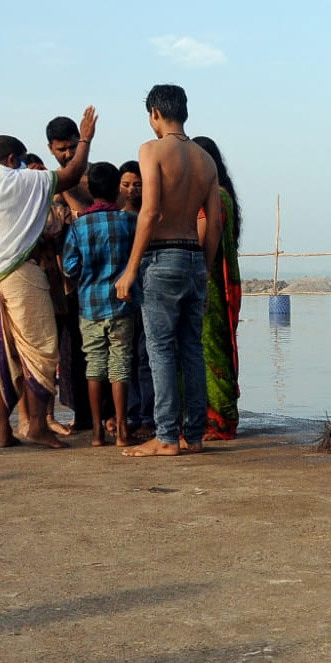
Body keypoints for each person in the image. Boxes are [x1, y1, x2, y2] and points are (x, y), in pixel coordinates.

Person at [0, 108, 97, 448]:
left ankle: (4, 429)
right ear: (13, 158)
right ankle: (38, 426)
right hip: (22, 276)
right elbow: (70, 176)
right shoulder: (21, 179)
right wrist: (86, 137)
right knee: (41, 352)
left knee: (1, 356)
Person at [114, 84, 222, 457]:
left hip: (162, 256)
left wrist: (130, 269)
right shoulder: (206, 160)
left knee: (160, 349)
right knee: (191, 349)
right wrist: (204, 270)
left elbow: (151, 211)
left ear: (155, 114)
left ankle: (164, 436)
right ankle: (192, 435)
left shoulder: (152, 149)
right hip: (194, 255)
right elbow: (216, 222)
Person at [62, 161, 138, 447]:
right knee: (120, 365)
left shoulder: (80, 226)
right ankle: (121, 430)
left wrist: (87, 277)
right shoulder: (128, 221)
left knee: (94, 366)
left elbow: (70, 266)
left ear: (91, 190)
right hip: (122, 304)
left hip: (90, 305)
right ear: (117, 188)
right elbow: (138, 259)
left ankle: (96, 432)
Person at [45, 115, 94, 433]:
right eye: (62, 150)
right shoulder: (50, 184)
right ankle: (78, 414)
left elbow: (98, 210)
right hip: (61, 282)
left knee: (89, 349)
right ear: (51, 148)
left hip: (90, 280)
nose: (67, 154)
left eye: (72, 147)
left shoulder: (92, 176)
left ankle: (97, 414)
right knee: (66, 351)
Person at [192, 136, 243, 441]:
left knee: (213, 351)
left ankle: (222, 419)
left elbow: (200, 241)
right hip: (209, 282)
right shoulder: (217, 196)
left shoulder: (216, 198)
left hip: (212, 284)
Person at [118, 159, 153, 438]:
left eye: (137, 184)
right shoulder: (116, 219)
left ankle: (146, 417)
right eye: (126, 184)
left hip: (147, 296)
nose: (132, 190)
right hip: (122, 299)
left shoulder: (151, 218)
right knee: (126, 358)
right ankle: (129, 415)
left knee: (145, 357)